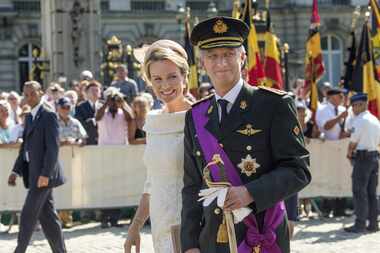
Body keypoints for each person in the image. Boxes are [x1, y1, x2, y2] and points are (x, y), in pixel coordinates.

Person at [181, 17, 311, 253]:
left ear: (242, 58)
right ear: (202, 63)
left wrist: (250, 192)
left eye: (229, 54)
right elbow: (192, 186)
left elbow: (298, 170)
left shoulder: (274, 105)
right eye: (212, 56)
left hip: (261, 232)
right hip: (212, 237)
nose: (221, 62)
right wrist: (189, 244)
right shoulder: (196, 115)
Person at [124, 39, 192, 253]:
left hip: (191, 225)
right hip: (160, 223)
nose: (165, 85)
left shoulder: (198, 119)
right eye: (157, 79)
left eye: (172, 76)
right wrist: (135, 225)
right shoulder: (153, 121)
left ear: (184, 76)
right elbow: (152, 182)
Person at [7, 80, 66, 253]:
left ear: (41, 93)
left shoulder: (49, 114)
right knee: (48, 219)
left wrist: (46, 174)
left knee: (27, 216)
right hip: (33, 174)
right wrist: (15, 171)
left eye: (33, 93)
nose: (29, 97)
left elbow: (53, 148)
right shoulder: (30, 116)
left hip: (43, 176)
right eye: (26, 94)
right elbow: (25, 147)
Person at [344, 93, 380, 233]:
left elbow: (353, 142)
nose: (353, 108)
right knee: (371, 192)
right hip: (374, 156)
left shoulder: (360, 120)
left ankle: (360, 224)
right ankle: (373, 223)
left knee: (359, 191)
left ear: (362, 104)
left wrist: (348, 153)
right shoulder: (374, 119)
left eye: (355, 105)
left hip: (363, 157)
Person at [315, 87, 348, 217]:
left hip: (341, 148)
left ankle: (340, 209)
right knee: (329, 178)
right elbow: (325, 127)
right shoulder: (323, 109)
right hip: (328, 148)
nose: (342, 99)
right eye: (341, 96)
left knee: (341, 178)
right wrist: (339, 117)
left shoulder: (342, 110)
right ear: (332, 97)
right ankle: (327, 209)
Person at [75, 80, 102, 145]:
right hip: (88, 141)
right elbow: (80, 124)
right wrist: (92, 121)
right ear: (86, 93)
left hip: (102, 141)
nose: (95, 93)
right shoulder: (80, 107)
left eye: (97, 90)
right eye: (92, 90)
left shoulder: (104, 106)